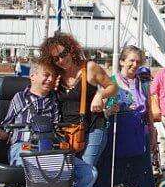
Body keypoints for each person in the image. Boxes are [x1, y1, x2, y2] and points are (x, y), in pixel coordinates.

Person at [0, 58, 97, 187]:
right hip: (24, 147)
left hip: (50, 148)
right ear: (33, 76)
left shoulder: (53, 101)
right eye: (46, 75)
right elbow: (5, 127)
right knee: (38, 167)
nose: (50, 79)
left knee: (89, 173)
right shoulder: (19, 98)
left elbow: (58, 129)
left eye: (53, 76)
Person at [94, 46, 158, 187]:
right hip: (117, 131)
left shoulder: (143, 84)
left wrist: (152, 132)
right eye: (131, 60)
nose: (134, 64)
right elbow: (101, 110)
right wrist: (109, 110)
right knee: (115, 171)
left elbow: (149, 111)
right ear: (122, 61)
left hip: (138, 132)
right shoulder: (111, 82)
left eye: (138, 61)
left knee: (141, 170)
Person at [39, 32, 118, 167]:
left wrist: (100, 95)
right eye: (56, 58)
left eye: (63, 54)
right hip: (67, 131)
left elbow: (113, 87)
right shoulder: (56, 75)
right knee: (68, 170)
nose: (61, 60)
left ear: (71, 50)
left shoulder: (89, 68)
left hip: (93, 127)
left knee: (86, 168)